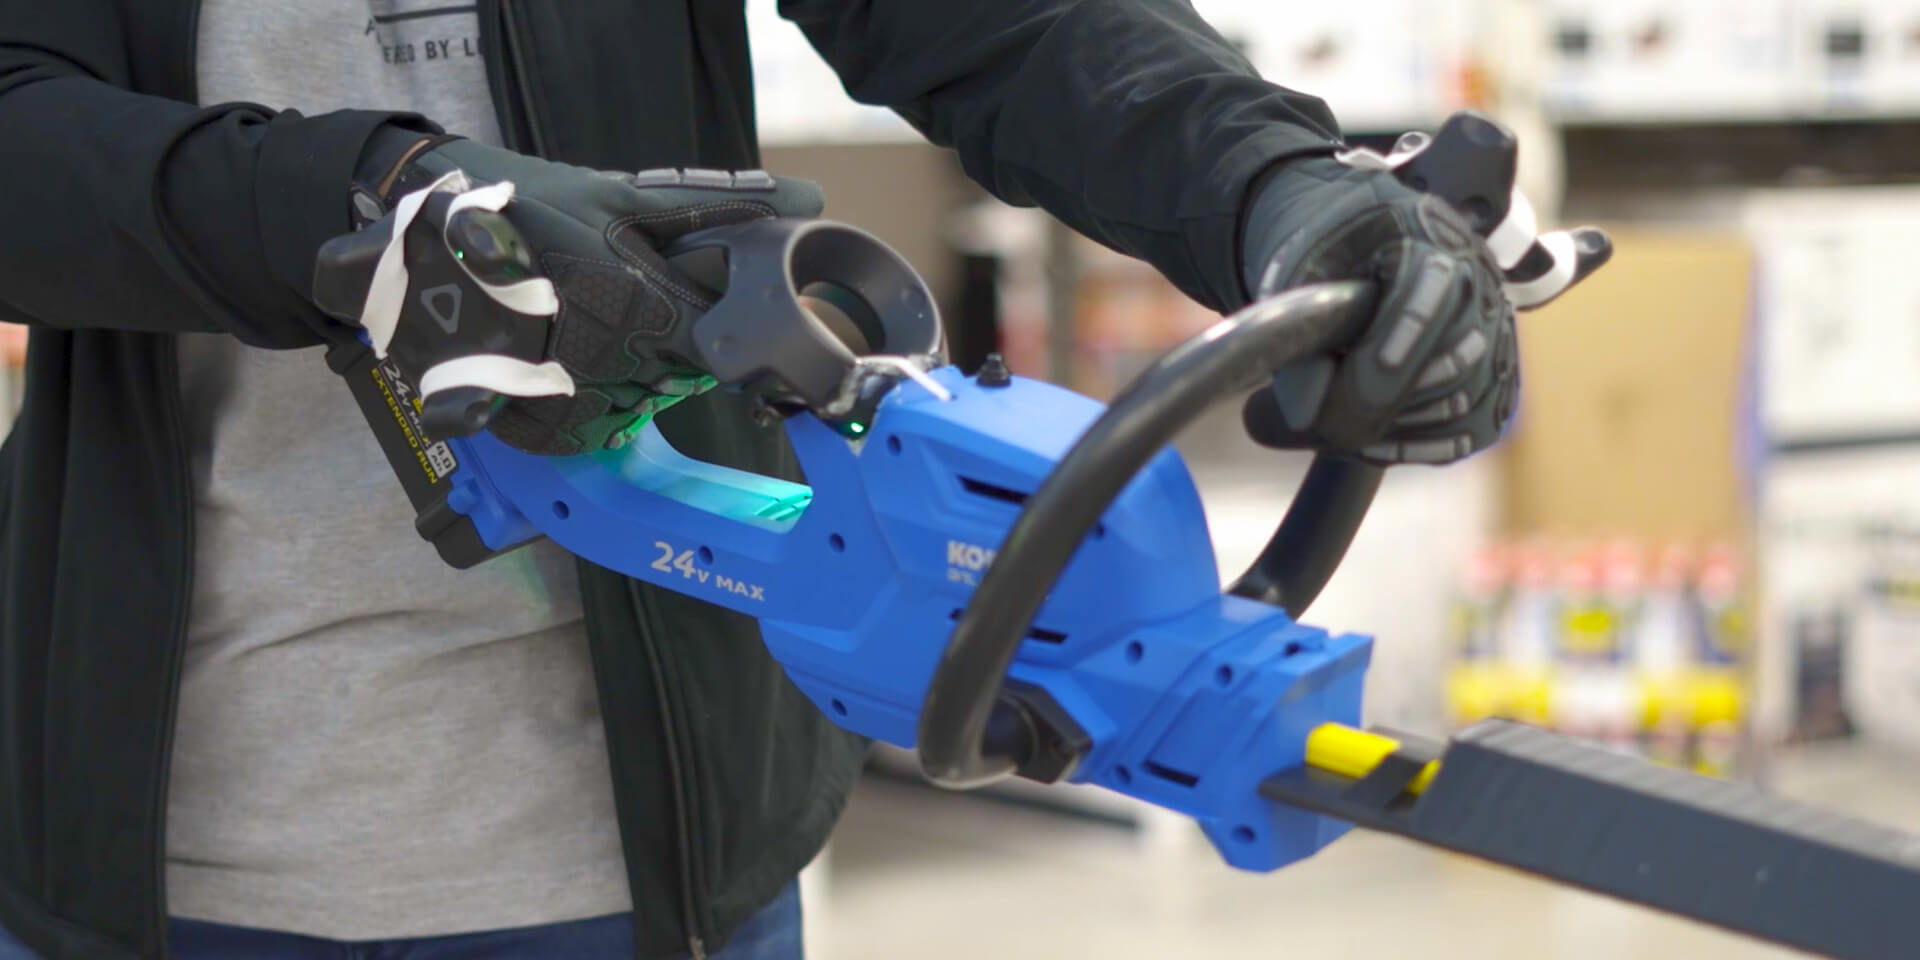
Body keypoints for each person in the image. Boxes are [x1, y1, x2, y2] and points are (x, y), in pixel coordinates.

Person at [0, 3, 1573, 959]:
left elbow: (1005, 18)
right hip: (144, 856)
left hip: (669, 862)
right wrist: (357, 203)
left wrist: (1269, 179)